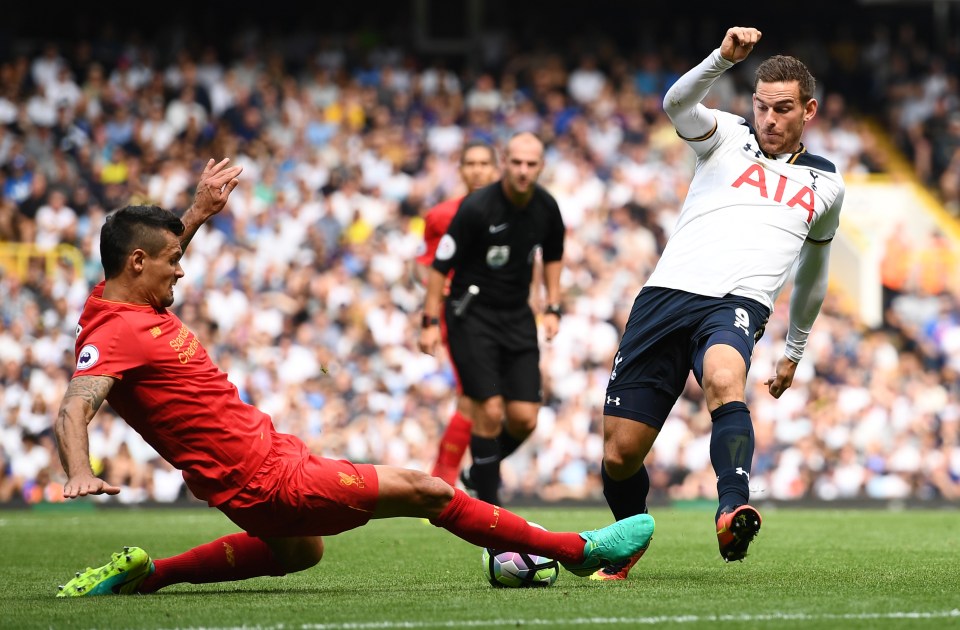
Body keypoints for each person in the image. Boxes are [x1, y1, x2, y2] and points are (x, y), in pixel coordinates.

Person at [53, 158, 653, 597]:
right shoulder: (114, 332)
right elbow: (75, 406)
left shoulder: (129, 302)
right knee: (429, 492)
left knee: (300, 552)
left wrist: (196, 214)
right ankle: (578, 550)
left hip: (260, 468)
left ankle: (149, 575)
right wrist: (80, 471)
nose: (181, 271)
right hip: (265, 478)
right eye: (173, 261)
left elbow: (157, 252)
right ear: (137, 264)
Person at [592, 27, 845, 581]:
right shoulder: (727, 134)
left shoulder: (826, 184)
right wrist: (720, 60)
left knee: (725, 378)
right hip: (666, 295)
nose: (769, 120)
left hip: (736, 302)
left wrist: (794, 351)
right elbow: (675, 103)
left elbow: (813, 276)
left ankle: (732, 507)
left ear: (809, 111)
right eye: (762, 107)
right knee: (618, 454)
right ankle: (630, 532)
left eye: (783, 110)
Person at [418, 131, 565, 506]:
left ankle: (475, 473)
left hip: (516, 316)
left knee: (524, 418)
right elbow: (435, 266)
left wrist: (552, 306)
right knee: (485, 408)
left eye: (531, 164)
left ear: (541, 166)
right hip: (471, 316)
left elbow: (552, 256)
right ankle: (486, 509)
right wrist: (431, 320)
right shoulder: (468, 210)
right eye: (515, 162)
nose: (523, 170)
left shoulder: (546, 207)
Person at [414, 141, 500, 486]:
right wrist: (432, 317)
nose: (478, 170)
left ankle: (459, 476)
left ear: (496, 169)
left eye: (484, 163)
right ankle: (445, 479)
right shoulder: (441, 215)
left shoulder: (516, 213)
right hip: (463, 317)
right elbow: (423, 267)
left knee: (495, 402)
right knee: (473, 396)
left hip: (504, 318)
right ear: (461, 170)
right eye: (471, 164)